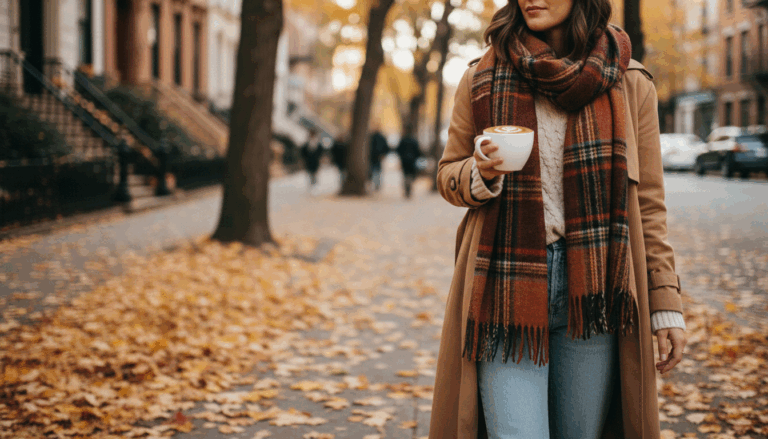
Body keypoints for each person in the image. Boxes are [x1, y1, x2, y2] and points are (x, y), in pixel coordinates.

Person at [429, 1, 687, 438]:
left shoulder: (630, 83)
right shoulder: (480, 77)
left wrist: (666, 305)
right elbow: (447, 174)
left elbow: (649, 207)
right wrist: (480, 173)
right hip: (507, 288)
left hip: (596, 290)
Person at [396, 132, 421, 198]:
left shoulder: (403, 140)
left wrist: (401, 157)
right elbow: (418, 150)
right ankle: (409, 188)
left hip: (404, 160)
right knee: (411, 175)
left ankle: (406, 188)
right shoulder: (414, 140)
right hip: (412, 160)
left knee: (405, 175)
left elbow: (398, 150)